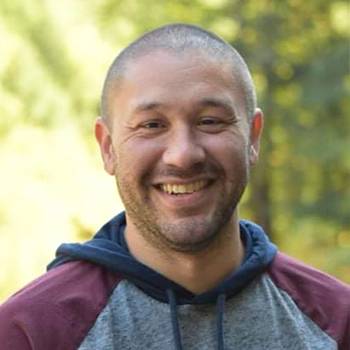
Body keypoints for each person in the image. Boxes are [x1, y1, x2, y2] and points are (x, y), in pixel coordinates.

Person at [0, 23, 348, 350]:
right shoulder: (30, 331)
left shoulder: (337, 321)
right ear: (107, 148)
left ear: (253, 138)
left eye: (210, 121)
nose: (182, 156)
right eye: (151, 125)